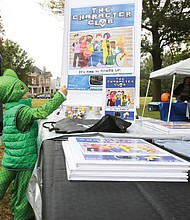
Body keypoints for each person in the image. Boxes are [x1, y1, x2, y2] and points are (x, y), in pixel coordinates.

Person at [0, 69, 68, 220]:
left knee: (2, 184)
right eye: (23, 90)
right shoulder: (22, 111)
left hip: (9, 161)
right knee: (22, 195)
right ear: (13, 93)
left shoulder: (8, 111)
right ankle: (21, 217)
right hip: (24, 163)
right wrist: (60, 95)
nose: (28, 93)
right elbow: (41, 112)